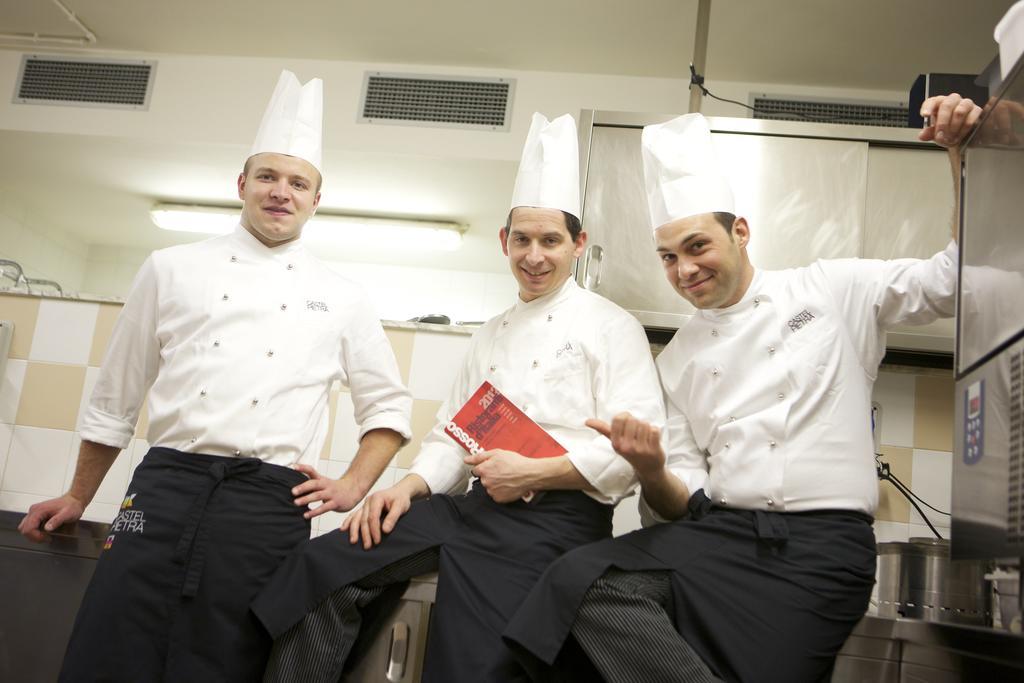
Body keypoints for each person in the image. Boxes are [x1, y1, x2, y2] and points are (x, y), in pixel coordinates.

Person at [502, 94, 982, 683]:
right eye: (668, 257)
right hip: (718, 536)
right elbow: (682, 501)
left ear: (741, 232)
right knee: (578, 582)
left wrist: (961, 154)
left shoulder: (832, 290)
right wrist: (651, 468)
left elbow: (958, 279)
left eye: (697, 246)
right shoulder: (677, 361)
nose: (684, 270)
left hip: (821, 551)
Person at [17, 70, 413, 682]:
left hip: (268, 505)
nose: (281, 192)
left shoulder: (343, 297)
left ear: (316, 198)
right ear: (242, 184)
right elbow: (115, 398)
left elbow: (387, 410)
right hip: (160, 488)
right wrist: (78, 496)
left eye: (297, 182)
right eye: (268, 177)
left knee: (231, 656)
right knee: (111, 636)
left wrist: (353, 486)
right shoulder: (170, 268)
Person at [250, 112, 666, 682]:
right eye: (522, 239)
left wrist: (533, 474)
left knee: (474, 664)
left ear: (579, 245)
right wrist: (407, 487)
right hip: (468, 508)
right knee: (321, 569)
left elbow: (631, 453)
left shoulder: (612, 327)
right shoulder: (492, 331)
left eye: (551, 240)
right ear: (504, 241)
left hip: (556, 524)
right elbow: (453, 433)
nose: (534, 255)